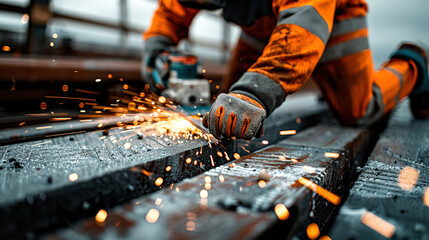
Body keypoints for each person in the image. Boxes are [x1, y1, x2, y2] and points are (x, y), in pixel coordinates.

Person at [142, 0, 429, 140]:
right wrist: (158, 48)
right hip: (264, 19)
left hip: (329, 15)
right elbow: (172, 9)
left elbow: (301, 33)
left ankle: (413, 65)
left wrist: (254, 92)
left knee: (358, 110)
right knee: (228, 107)